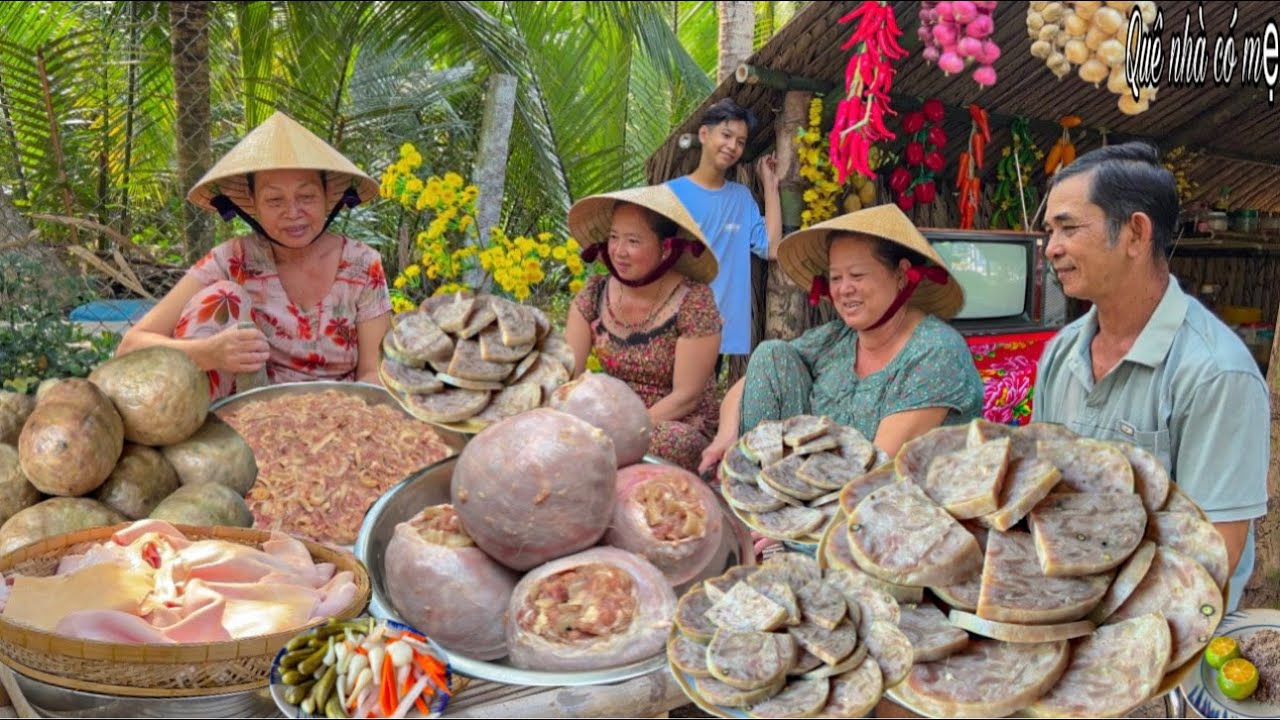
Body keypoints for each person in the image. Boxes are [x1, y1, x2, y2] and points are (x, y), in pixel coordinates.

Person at [1032, 142, 1269, 613]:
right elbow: (1041, 491)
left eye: (1068, 227)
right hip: (1068, 612)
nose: (1052, 248)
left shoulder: (1215, 373)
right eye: (1049, 231)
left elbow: (1213, 555)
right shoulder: (1062, 352)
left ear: (1136, 234)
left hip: (1163, 634)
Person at [117, 111, 392, 400]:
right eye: (275, 200)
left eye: (307, 196)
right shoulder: (232, 260)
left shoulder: (362, 265)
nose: (293, 212)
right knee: (223, 296)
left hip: (340, 414)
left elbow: (373, 373)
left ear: (328, 198)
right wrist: (210, 353)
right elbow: (132, 345)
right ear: (253, 206)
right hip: (242, 414)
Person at [698, 203, 984, 474]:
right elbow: (751, 382)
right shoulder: (834, 339)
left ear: (902, 275)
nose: (844, 289)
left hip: (896, 506)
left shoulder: (936, 351)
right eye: (835, 278)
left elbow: (876, 468)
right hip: (812, 491)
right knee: (770, 352)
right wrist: (726, 436)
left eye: (857, 275)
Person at [564, 185, 723, 472]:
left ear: (666, 249)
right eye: (613, 238)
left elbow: (686, 397)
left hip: (673, 423)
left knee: (666, 443)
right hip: (611, 413)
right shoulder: (594, 293)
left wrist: (621, 435)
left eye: (633, 241)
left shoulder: (694, 301)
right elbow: (567, 373)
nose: (619, 252)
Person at [666, 98, 781, 364]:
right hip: (674, 328)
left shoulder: (742, 199)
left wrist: (770, 185)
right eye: (727, 135)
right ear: (704, 134)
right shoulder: (673, 195)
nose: (733, 146)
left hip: (717, 333)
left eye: (740, 142)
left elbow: (772, 247)